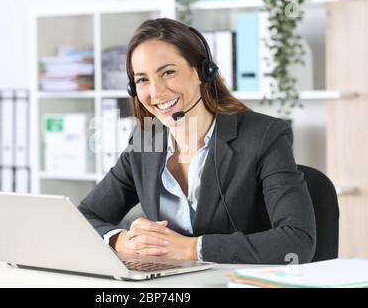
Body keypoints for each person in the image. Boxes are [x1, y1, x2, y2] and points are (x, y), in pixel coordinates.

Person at [78, 18, 316, 264]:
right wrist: (120, 240)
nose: (156, 92)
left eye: (168, 72)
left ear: (202, 72)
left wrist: (191, 249)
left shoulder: (264, 136)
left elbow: (297, 241)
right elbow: (85, 215)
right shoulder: (145, 141)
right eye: (142, 80)